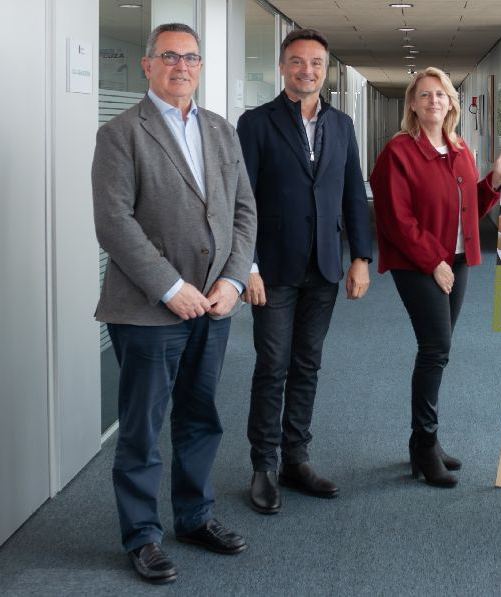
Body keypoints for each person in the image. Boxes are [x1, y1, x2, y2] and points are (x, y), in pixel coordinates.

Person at [92, 23, 257, 583]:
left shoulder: (221, 130)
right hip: (149, 311)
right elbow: (114, 223)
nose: (181, 66)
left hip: (215, 304)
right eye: (169, 56)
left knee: (200, 416)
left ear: (201, 67)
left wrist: (233, 280)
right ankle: (142, 536)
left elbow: (244, 211)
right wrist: (170, 287)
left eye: (190, 57)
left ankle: (195, 517)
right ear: (147, 65)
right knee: (143, 428)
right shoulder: (120, 133)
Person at [236, 29, 373, 514]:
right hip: (272, 269)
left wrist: (360, 258)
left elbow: (353, 192)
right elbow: (242, 199)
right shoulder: (255, 123)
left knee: (308, 364)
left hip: (324, 266)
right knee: (272, 366)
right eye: (297, 61)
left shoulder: (342, 125)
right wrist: (247, 265)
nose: (307, 70)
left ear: (325, 69)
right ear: (282, 67)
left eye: (316, 62)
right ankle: (264, 465)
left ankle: (296, 458)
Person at [369, 67, 501, 487]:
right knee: (435, 347)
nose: (433, 101)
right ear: (412, 104)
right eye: (425, 95)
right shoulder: (399, 152)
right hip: (418, 263)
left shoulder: (460, 149)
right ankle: (425, 445)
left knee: (439, 351)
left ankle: (424, 441)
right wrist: (433, 261)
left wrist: (494, 182)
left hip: (457, 260)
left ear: (451, 103)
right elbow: (396, 218)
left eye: (441, 94)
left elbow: (468, 208)